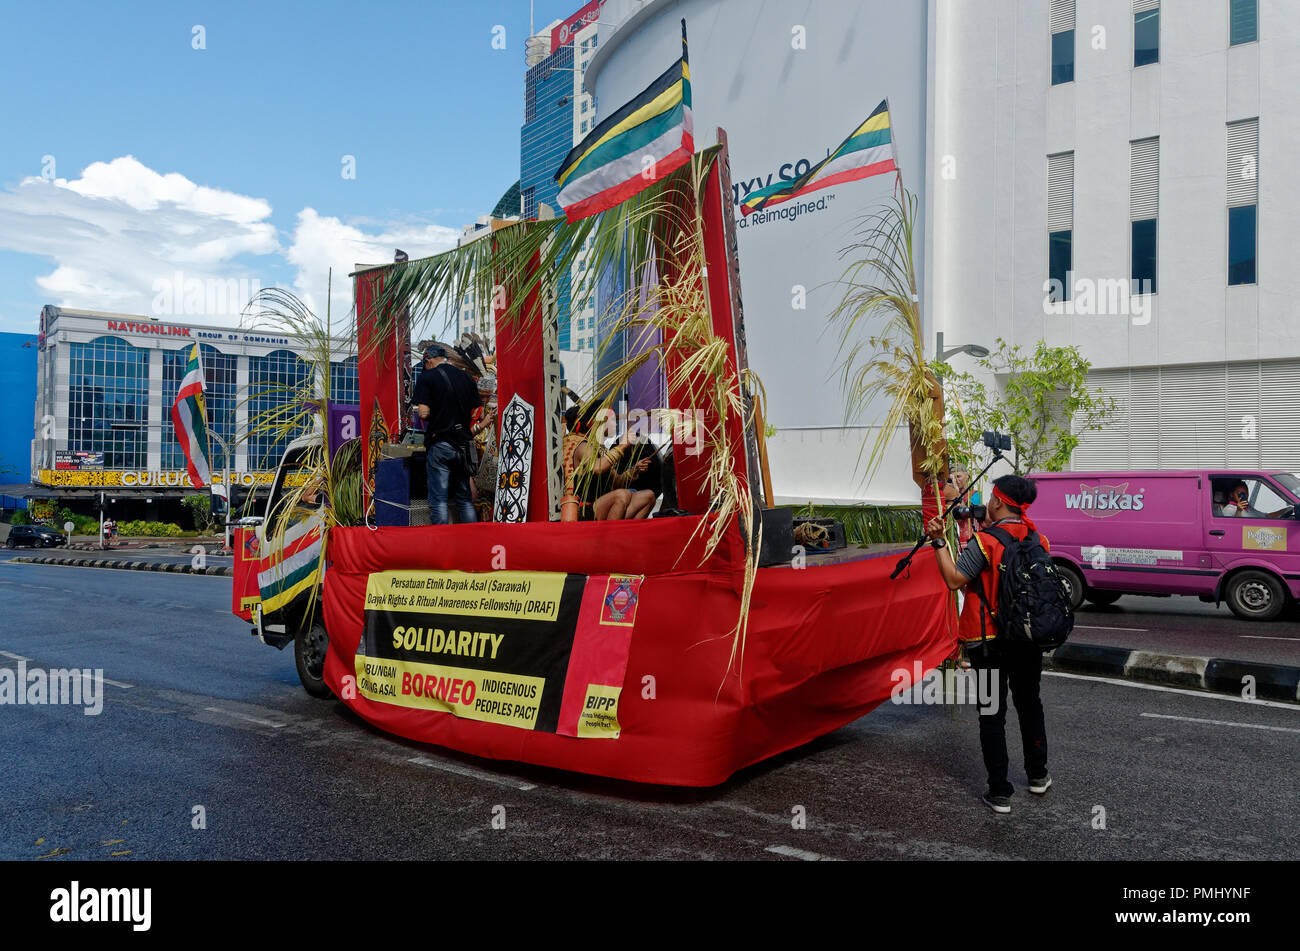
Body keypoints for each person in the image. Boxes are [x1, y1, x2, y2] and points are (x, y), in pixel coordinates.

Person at [925, 474, 1051, 815]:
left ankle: (999, 792)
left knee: (992, 715)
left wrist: (938, 542)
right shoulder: (1039, 540)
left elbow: (953, 580)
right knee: (1030, 705)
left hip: (988, 640)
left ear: (997, 501)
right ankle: (1038, 776)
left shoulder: (983, 543)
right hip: (1027, 638)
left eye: (992, 498)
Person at [413, 345, 479, 525]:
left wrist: (431, 412)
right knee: (465, 500)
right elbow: (474, 413)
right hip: (463, 445)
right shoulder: (466, 377)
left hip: (441, 443)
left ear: (428, 360)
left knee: (439, 501)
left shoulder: (428, 377)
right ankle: (471, 536)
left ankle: (439, 544)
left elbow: (424, 413)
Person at [561, 405, 651, 521]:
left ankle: (624, 533)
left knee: (648, 496)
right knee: (622, 495)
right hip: (584, 509)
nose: (616, 424)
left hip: (602, 506)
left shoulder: (598, 448)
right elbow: (598, 467)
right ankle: (611, 537)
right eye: (612, 420)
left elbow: (617, 482)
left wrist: (634, 470)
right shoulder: (582, 446)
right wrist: (622, 445)